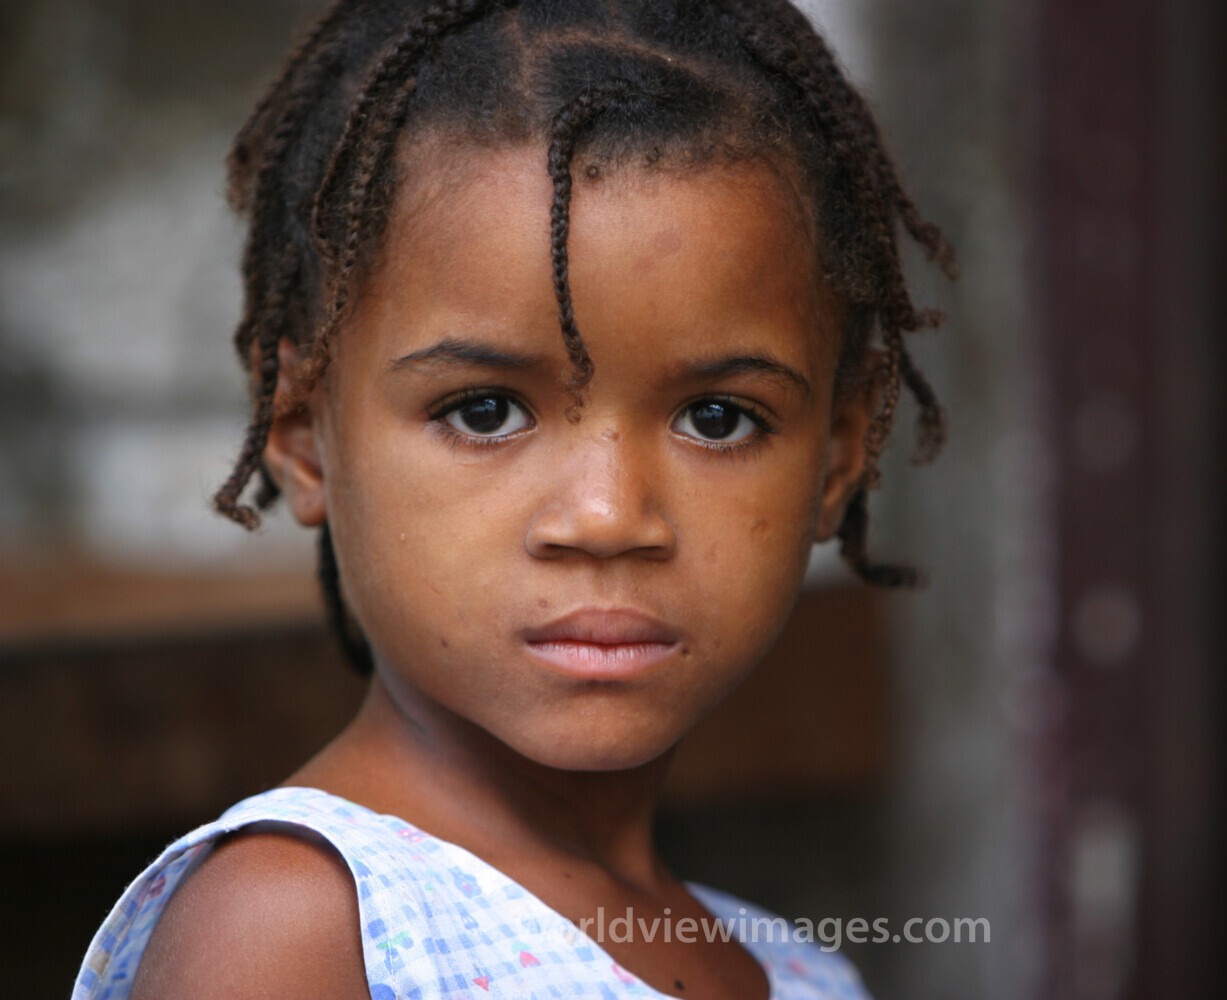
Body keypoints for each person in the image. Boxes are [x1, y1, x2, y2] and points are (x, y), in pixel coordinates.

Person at [70, 1, 956, 998]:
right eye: (485, 410)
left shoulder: (798, 971)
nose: (608, 516)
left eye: (717, 418)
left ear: (840, 455)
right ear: (303, 437)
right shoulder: (304, 927)